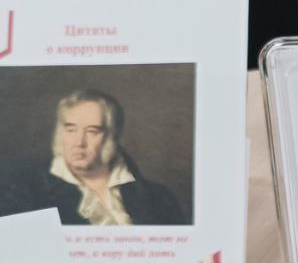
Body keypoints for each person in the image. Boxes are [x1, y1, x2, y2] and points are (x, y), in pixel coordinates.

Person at [1, 88, 184, 226]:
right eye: (71, 129)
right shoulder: (27, 192)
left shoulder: (158, 198)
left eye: (92, 131)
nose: (79, 142)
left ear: (112, 137)